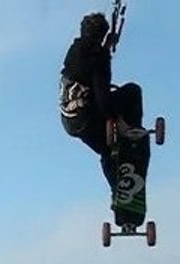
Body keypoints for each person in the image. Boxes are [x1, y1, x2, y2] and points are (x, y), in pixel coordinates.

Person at [59, 12, 147, 194]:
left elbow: (87, 64)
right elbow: (103, 100)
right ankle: (132, 135)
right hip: (88, 116)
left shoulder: (74, 50)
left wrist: (106, 46)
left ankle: (119, 191)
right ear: (101, 36)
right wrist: (120, 122)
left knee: (108, 150)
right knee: (132, 91)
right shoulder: (99, 60)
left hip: (70, 121)